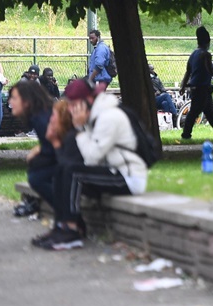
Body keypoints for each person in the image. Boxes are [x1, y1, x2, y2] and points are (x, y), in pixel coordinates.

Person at [31, 78, 147, 251]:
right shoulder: (93, 116)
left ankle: (71, 231)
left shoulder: (109, 117)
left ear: (88, 101)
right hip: (110, 171)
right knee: (60, 170)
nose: (70, 110)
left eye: (73, 104)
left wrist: (79, 129)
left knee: (73, 172)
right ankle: (61, 226)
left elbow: (92, 158)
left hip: (128, 177)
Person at [8, 79, 56, 217]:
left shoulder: (41, 118)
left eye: (14, 98)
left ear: (27, 101)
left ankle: (67, 217)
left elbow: (55, 149)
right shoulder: (40, 115)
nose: (10, 102)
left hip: (71, 163)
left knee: (37, 177)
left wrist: (38, 155)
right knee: (36, 170)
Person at [178, 26, 213, 143]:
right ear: (207, 41)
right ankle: (185, 134)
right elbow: (211, 70)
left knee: (210, 113)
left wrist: (183, 86)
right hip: (202, 87)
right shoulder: (206, 55)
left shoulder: (193, 54)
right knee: (194, 112)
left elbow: (188, 71)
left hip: (196, 87)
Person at [149, 64, 179, 128]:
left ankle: (170, 124)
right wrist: (156, 93)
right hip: (152, 99)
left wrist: (167, 91)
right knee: (166, 96)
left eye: (153, 69)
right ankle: (175, 113)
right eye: (151, 69)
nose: (152, 71)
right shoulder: (147, 80)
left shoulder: (157, 79)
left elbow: (162, 89)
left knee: (165, 103)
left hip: (159, 98)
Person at [86, 29, 113, 93]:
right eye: (90, 38)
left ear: (98, 37)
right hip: (99, 78)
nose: (91, 40)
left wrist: (90, 79)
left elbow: (99, 65)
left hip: (100, 79)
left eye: (92, 38)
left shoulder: (101, 48)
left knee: (97, 98)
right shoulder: (98, 48)